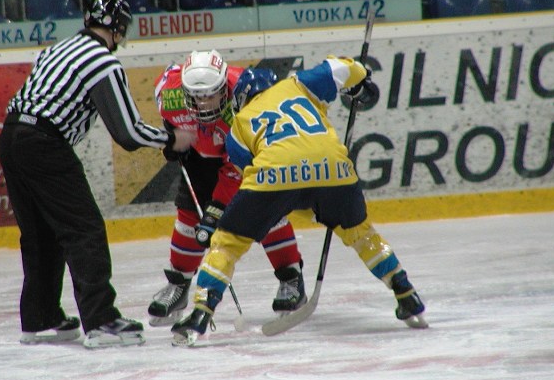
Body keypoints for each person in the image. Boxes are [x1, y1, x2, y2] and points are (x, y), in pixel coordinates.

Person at [171, 58, 427, 345]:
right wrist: (359, 83)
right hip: (336, 172)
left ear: (241, 99)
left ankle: (200, 314)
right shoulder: (298, 85)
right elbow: (342, 67)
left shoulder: (239, 125)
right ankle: (406, 292)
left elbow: (258, 180)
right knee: (361, 234)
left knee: (227, 244)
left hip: (274, 177)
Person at [0, 0, 196, 349]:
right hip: (45, 142)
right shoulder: (103, 62)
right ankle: (101, 320)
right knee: (84, 229)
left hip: (11, 137)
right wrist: (172, 139)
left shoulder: (56, 50)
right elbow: (128, 133)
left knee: (40, 234)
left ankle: (40, 317)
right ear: (117, 29)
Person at [148, 50, 306, 326]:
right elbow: (164, 84)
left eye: (210, 95)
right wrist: (173, 137)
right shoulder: (170, 94)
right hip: (201, 154)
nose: (203, 103)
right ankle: (179, 284)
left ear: (224, 88)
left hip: (246, 155)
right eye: (196, 97)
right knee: (189, 215)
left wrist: (217, 210)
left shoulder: (246, 97)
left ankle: (291, 278)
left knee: (266, 212)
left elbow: (235, 168)